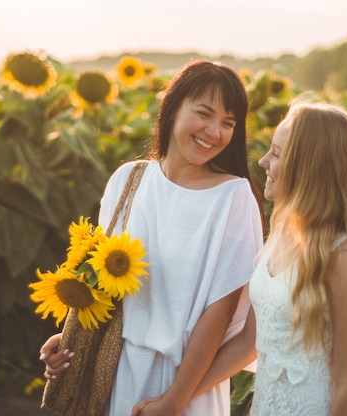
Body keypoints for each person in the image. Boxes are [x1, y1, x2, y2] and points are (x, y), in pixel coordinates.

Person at [132, 101, 347, 416]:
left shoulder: (345, 257)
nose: (263, 161)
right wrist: (173, 400)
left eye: (276, 154)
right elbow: (249, 340)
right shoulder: (282, 234)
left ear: (309, 167)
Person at [39, 60, 265, 416]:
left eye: (227, 123)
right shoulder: (128, 181)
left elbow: (218, 313)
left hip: (188, 384)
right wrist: (69, 341)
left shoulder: (232, 197)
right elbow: (104, 283)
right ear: (173, 108)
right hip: (116, 370)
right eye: (204, 114)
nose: (214, 131)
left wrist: (176, 398)